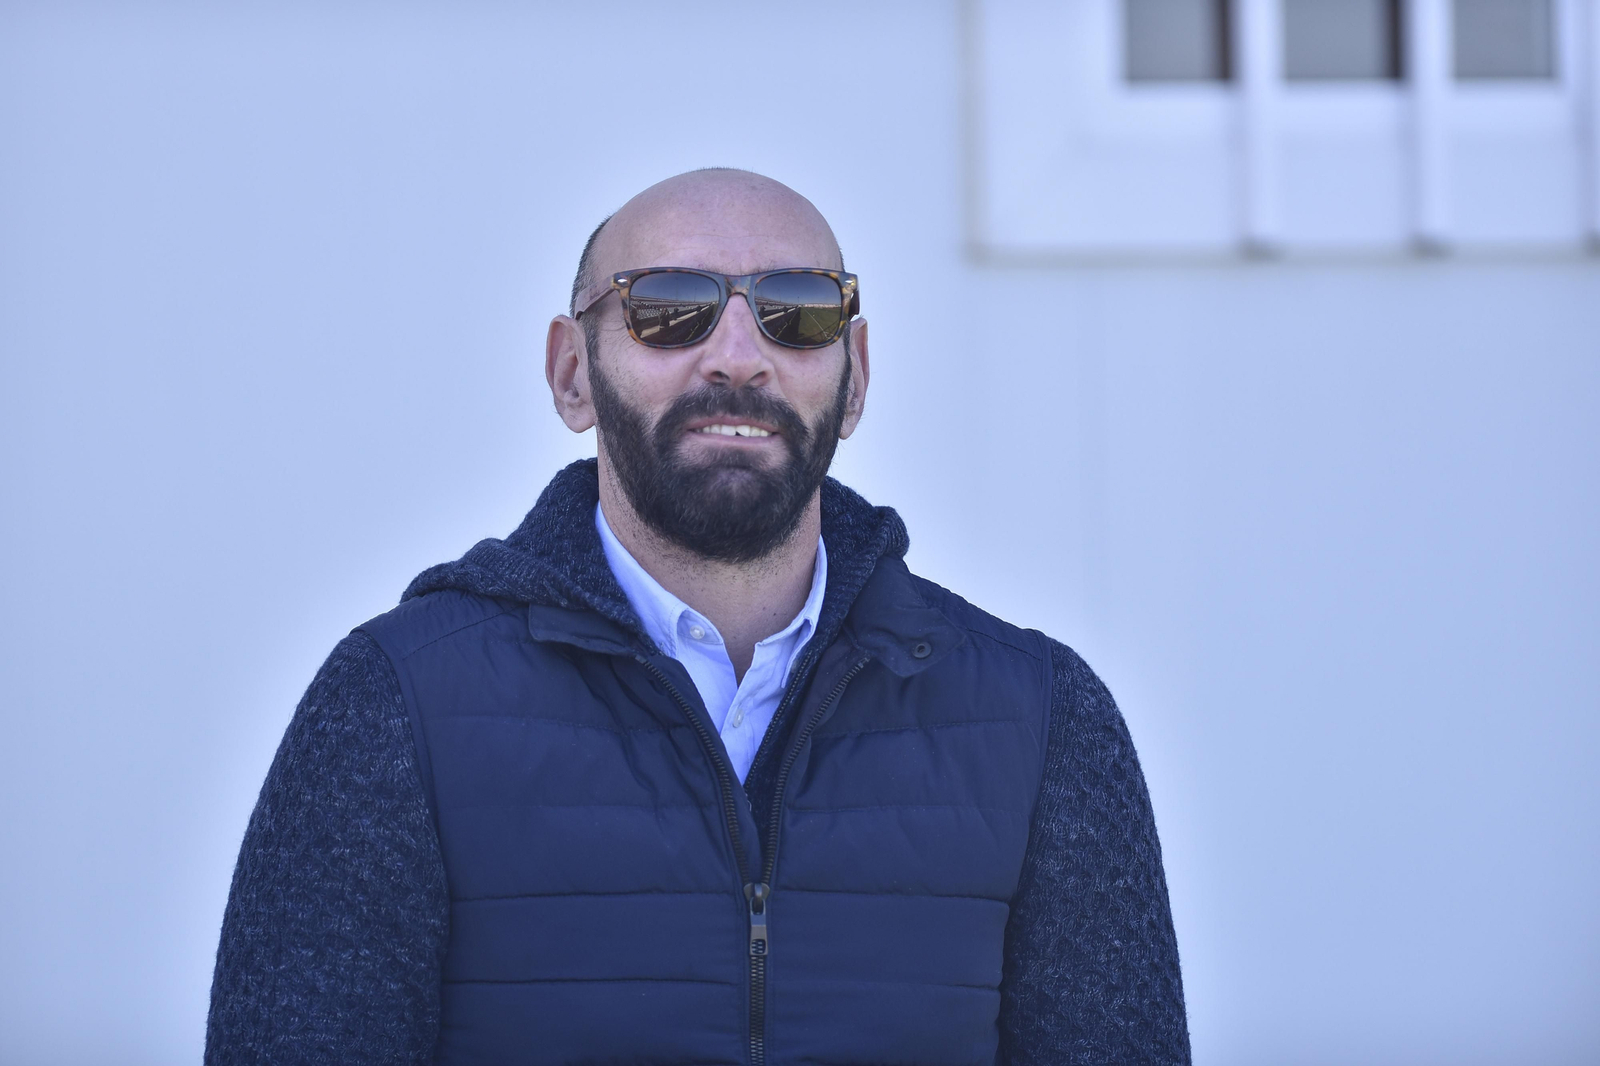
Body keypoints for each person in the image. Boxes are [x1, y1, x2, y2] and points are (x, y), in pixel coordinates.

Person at [206, 168, 1190, 1065]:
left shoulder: (1041, 719)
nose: (737, 356)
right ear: (571, 374)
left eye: (793, 312)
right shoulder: (394, 706)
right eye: (670, 309)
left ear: (853, 377)